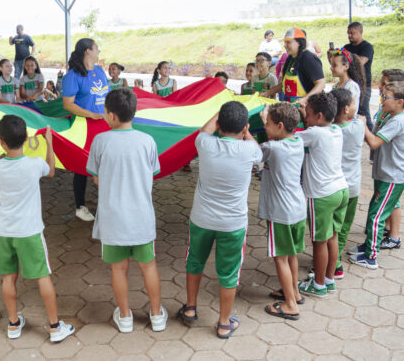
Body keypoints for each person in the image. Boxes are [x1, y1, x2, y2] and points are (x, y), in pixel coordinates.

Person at [0, 116, 75, 342]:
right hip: (29, 231)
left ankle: (13, 324)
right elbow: (51, 171)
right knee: (42, 276)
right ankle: (54, 327)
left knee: (8, 278)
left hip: (4, 231)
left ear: (1, 141)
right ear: (26, 138)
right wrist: (49, 144)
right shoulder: (34, 164)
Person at [178, 102, 261, 338]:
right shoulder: (250, 150)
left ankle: (191, 308)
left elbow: (205, 129)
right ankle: (224, 323)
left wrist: (217, 117)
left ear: (219, 125)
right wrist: (247, 132)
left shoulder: (205, 144)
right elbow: (258, 150)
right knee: (229, 272)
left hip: (202, 219)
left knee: (195, 261)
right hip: (233, 224)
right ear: (244, 128)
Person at [86, 89, 166, 333]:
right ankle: (156, 316)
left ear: (110, 115)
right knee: (149, 266)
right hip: (141, 218)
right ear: (134, 112)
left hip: (112, 219)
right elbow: (151, 174)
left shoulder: (100, 141)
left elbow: (96, 178)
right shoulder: (147, 141)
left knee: (118, 269)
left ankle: (125, 317)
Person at [349, 81, 404, 269]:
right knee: (374, 210)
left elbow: (374, 142)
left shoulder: (398, 121)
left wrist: (362, 124)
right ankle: (368, 245)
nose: (382, 100)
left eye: (385, 97)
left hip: (394, 177)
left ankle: (371, 256)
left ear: (400, 102)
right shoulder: (390, 116)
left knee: (377, 216)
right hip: (385, 174)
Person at [295, 93, 349, 298]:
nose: (305, 117)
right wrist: (305, 111)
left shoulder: (314, 133)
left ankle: (318, 286)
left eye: (308, 114)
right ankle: (328, 280)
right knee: (332, 236)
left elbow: (289, 137)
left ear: (318, 116)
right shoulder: (336, 130)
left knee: (319, 241)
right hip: (341, 190)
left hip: (322, 196)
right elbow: (312, 128)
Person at [258, 103, 306, 320]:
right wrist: (268, 121)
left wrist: (247, 133)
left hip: (281, 213)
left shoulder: (273, 148)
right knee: (291, 254)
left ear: (279, 126)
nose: (264, 126)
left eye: (267, 123)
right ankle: (294, 293)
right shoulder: (298, 141)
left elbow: (255, 152)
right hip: (297, 208)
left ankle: (290, 305)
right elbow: (275, 139)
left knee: (280, 258)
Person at [61, 38, 109, 221]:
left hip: (103, 124)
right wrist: (91, 114)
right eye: (97, 48)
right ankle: (80, 206)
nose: (99, 51)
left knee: (105, 164)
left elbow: (106, 95)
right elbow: (68, 104)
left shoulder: (99, 71)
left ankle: (107, 204)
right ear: (88, 51)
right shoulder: (72, 76)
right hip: (84, 126)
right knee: (82, 166)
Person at [374, 69, 404, 245]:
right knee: (387, 200)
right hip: (385, 164)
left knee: (393, 202)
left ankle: (394, 236)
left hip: (394, 169)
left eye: (384, 84)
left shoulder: (401, 114)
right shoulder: (389, 108)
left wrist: (398, 137)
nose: (380, 87)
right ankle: (386, 229)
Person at [330, 88, 364, 278]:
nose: (355, 106)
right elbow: (360, 118)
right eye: (352, 103)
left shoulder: (329, 131)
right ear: (345, 109)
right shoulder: (358, 126)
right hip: (352, 187)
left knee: (331, 229)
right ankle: (335, 264)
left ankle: (330, 263)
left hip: (333, 189)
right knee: (343, 228)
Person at [262, 28, 325, 104]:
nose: (285, 45)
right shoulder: (290, 59)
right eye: (285, 42)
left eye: (288, 42)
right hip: (291, 106)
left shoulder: (308, 58)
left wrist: (305, 99)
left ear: (298, 43)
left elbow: (321, 84)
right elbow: (284, 85)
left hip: (307, 107)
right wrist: (267, 93)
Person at [343, 22, 375, 131]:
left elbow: (360, 62)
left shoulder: (367, 47)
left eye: (352, 33)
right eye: (348, 33)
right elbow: (340, 64)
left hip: (363, 85)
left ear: (360, 32)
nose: (349, 36)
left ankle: (371, 135)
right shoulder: (346, 47)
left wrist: (348, 57)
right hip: (348, 82)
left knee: (363, 111)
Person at [328, 48, 366, 113]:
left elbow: (353, 112)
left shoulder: (352, 86)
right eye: (331, 65)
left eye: (334, 65)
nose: (331, 68)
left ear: (346, 66)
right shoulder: (335, 86)